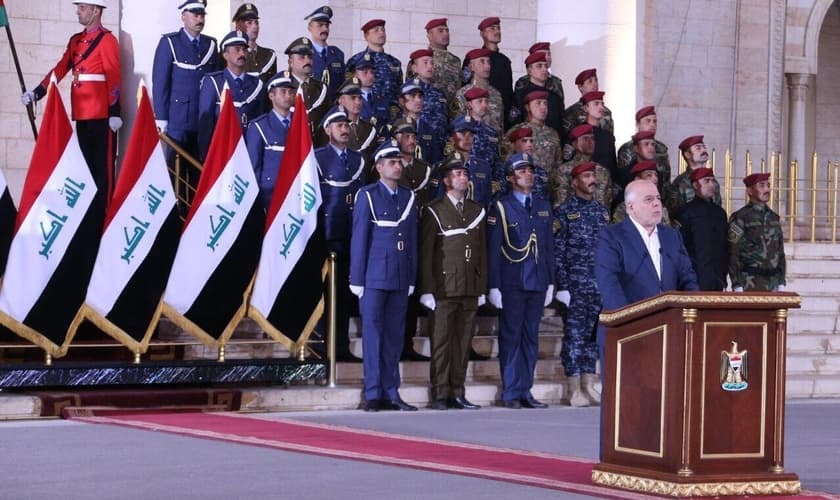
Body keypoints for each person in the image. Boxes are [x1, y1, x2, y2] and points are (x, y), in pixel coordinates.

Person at [22, 0, 121, 213]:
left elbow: (114, 78)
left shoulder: (107, 40)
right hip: (82, 115)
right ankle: (87, 217)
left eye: (82, 7)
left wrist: (115, 112)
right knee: (84, 169)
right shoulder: (76, 40)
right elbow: (60, 69)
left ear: (96, 11)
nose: (78, 11)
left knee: (102, 173)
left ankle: (102, 217)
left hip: (102, 116)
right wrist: (37, 92)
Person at [350, 140, 418, 412]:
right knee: (374, 336)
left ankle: (392, 392)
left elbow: (411, 241)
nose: (397, 166)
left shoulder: (408, 196)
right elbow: (360, 239)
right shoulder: (367, 195)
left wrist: (411, 278)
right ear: (378, 167)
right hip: (374, 277)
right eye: (392, 162)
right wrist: (357, 279)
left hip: (400, 276)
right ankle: (374, 393)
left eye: (399, 161)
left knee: (394, 337)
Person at [487, 153, 555, 409]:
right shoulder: (501, 207)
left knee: (531, 338)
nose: (529, 174)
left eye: (530, 170)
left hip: (536, 281)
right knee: (511, 337)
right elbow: (494, 248)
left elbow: (548, 246)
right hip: (512, 281)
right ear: (510, 177)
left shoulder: (542, 205)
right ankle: (511, 391)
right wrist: (494, 285)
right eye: (522, 171)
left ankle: (526, 390)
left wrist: (551, 281)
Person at [420, 157, 487, 410]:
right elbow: (427, 252)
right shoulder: (434, 210)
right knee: (441, 342)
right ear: (447, 180)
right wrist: (427, 288)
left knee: (462, 343)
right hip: (444, 287)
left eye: (465, 174)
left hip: (469, 285)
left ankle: (457, 391)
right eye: (458, 174)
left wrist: (482, 287)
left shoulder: (475, 210)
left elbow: (481, 252)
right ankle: (439, 393)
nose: (463, 178)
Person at [595, 180, 699, 317]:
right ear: (631, 207)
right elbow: (609, 285)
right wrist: (627, 319)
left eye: (658, 198)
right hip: (626, 328)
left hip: (669, 325)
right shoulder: (611, 237)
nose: (656, 203)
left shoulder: (671, 236)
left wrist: (692, 311)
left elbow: (688, 278)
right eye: (648, 199)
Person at [152, 0, 219, 208]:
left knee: (200, 170)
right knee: (176, 171)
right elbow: (160, 82)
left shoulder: (211, 45)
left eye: (202, 15)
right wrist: (161, 117)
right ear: (184, 15)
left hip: (204, 119)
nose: (200, 19)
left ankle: (195, 215)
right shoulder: (170, 43)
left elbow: (215, 82)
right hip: (178, 120)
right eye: (195, 14)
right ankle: (176, 217)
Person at [554, 162, 609, 407]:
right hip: (575, 285)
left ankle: (588, 384)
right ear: (575, 181)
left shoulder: (601, 211)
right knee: (574, 336)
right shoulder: (564, 211)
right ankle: (573, 386)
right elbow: (558, 251)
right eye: (586, 176)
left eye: (593, 175)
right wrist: (562, 285)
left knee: (592, 337)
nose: (592, 180)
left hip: (598, 285)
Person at [315, 105, 366, 362]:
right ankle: (322, 346)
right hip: (325, 234)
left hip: (350, 234)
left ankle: (341, 347)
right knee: (323, 293)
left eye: (346, 125)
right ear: (328, 130)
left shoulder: (358, 160)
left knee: (344, 294)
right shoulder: (317, 157)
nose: (344, 129)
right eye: (339, 125)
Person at [392, 117, 438, 361]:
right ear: (396, 138)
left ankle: (408, 343)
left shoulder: (425, 169)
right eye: (406, 136)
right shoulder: (390, 164)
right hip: (398, 235)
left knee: (416, 292)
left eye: (413, 136)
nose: (411, 140)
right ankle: (396, 344)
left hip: (420, 233)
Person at [197, 30, 266, 161]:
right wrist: (205, 158)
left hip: (248, 152)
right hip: (222, 152)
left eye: (244, 50)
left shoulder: (257, 84)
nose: (242, 54)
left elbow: (260, 119)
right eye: (237, 49)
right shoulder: (214, 82)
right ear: (225, 55)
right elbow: (205, 124)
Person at [245, 72, 295, 209]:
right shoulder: (259, 126)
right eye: (283, 91)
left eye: (291, 92)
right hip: (270, 194)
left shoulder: (301, 123)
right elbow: (254, 166)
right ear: (271, 95)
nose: (288, 96)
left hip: (296, 192)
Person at [728, 173, 786, 292]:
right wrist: (737, 283)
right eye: (761, 186)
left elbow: (780, 251)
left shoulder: (774, 217)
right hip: (749, 282)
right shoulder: (740, 217)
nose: (767, 189)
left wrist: (781, 281)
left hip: (773, 282)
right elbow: (733, 252)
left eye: (768, 185)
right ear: (750, 190)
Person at [504, 91, 563, 201]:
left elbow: (557, 164)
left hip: (546, 190)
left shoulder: (553, 134)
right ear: (527, 107)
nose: (543, 107)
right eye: (538, 103)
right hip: (521, 189)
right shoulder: (516, 131)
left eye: (545, 103)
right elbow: (507, 160)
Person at [676, 167, 729, 291]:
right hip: (695, 278)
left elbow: (725, 246)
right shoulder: (685, 212)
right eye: (706, 181)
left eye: (712, 181)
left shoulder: (720, 213)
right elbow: (680, 248)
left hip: (717, 278)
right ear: (695, 185)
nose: (711, 185)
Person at [347, 19, 403, 127]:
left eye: (383, 30)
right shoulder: (355, 61)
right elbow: (348, 90)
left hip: (388, 117)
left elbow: (399, 92)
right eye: (376, 30)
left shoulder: (394, 63)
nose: (381, 33)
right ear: (366, 36)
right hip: (363, 113)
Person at [550, 124, 612, 209]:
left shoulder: (603, 171)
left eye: (592, 139)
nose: (590, 142)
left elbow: (607, 201)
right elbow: (560, 202)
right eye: (585, 138)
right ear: (574, 144)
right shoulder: (564, 170)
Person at [616, 106, 671, 196]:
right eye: (648, 121)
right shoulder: (626, 148)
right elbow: (624, 176)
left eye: (654, 121)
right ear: (638, 124)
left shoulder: (661, 148)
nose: (652, 125)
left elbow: (666, 176)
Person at [407, 49, 449, 165]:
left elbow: (445, 122)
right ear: (414, 68)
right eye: (425, 62)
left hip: (437, 147)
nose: (430, 66)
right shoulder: (407, 91)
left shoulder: (439, 93)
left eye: (432, 63)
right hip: (416, 145)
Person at [284, 36, 330, 134]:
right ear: (290, 62)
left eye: (310, 57)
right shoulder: (282, 88)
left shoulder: (321, 89)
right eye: (302, 57)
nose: (307, 61)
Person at [454, 48, 504, 136]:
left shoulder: (496, 94)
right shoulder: (462, 94)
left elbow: (500, 125)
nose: (487, 66)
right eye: (482, 62)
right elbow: (457, 125)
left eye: (488, 62)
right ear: (471, 67)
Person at [512, 50, 563, 135]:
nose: (544, 69)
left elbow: (559, 126)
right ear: (529, 70)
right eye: (539, 66)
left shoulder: (554, 96)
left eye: (546, 66)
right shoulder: (521, 94)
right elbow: (515, 122)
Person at [476, 17, 513, 129]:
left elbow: (508, 92)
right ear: (483, 33)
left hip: (500, 117)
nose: (497, 31)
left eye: (498, 28)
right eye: (492, 28)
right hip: (481, 116)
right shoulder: (475, 58)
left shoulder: (504, 60)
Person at [611, 160, 672, 226]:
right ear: (637, 179)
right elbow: (619, 233)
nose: (655, 179)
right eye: (649, 175)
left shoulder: (659, 206)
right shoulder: (625, 208)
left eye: (656, 175)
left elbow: (667, 232)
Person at [670, 135, 722, 211]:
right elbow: (674, 212)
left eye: (704, 147)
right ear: (688, 154)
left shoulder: (713, 181)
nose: (703, 150)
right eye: (698, 148)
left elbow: (717, 208)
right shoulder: (680, 182)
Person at [231, 3, 276, 84]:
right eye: (249, 23)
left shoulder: (268, 55)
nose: (255, 26)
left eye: (256, 22)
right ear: (238, 26)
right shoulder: (229, 55)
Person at [305, 6, 345, 96]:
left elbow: (342, 85)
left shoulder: (338, 54)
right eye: (320, 25)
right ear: (310, 28)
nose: (324, 29)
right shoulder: (303, 53)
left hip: (333, 107)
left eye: (327, 25)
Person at [514, 42, 564, 112]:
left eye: (549, 54)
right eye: (543, 54)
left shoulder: (556, 81)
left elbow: (560, 107)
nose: (547, 57)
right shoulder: (523, 82)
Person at [424, 18, 461, 106]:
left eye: (447, 31)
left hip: (452, 112)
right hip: (430, 110)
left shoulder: (455, 61)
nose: (445, 34)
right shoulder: (422, 59)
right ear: (429, 35)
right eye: (440, 31)